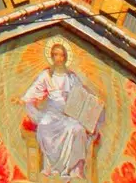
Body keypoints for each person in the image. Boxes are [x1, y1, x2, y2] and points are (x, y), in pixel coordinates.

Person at [19, 43, 103, 181]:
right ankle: (51, 168)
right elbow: (34, 89)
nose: (59, 58)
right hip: (51, 115)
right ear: (51, 57)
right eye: (56, 55)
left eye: (62, 55)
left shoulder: (71, 77)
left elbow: (82, 94)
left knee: (78, 129)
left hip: (68, 115)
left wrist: (95, 101)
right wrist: (23, 99)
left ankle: (74, 170)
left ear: (66, 57)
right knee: (44, 127)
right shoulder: (46, 75)